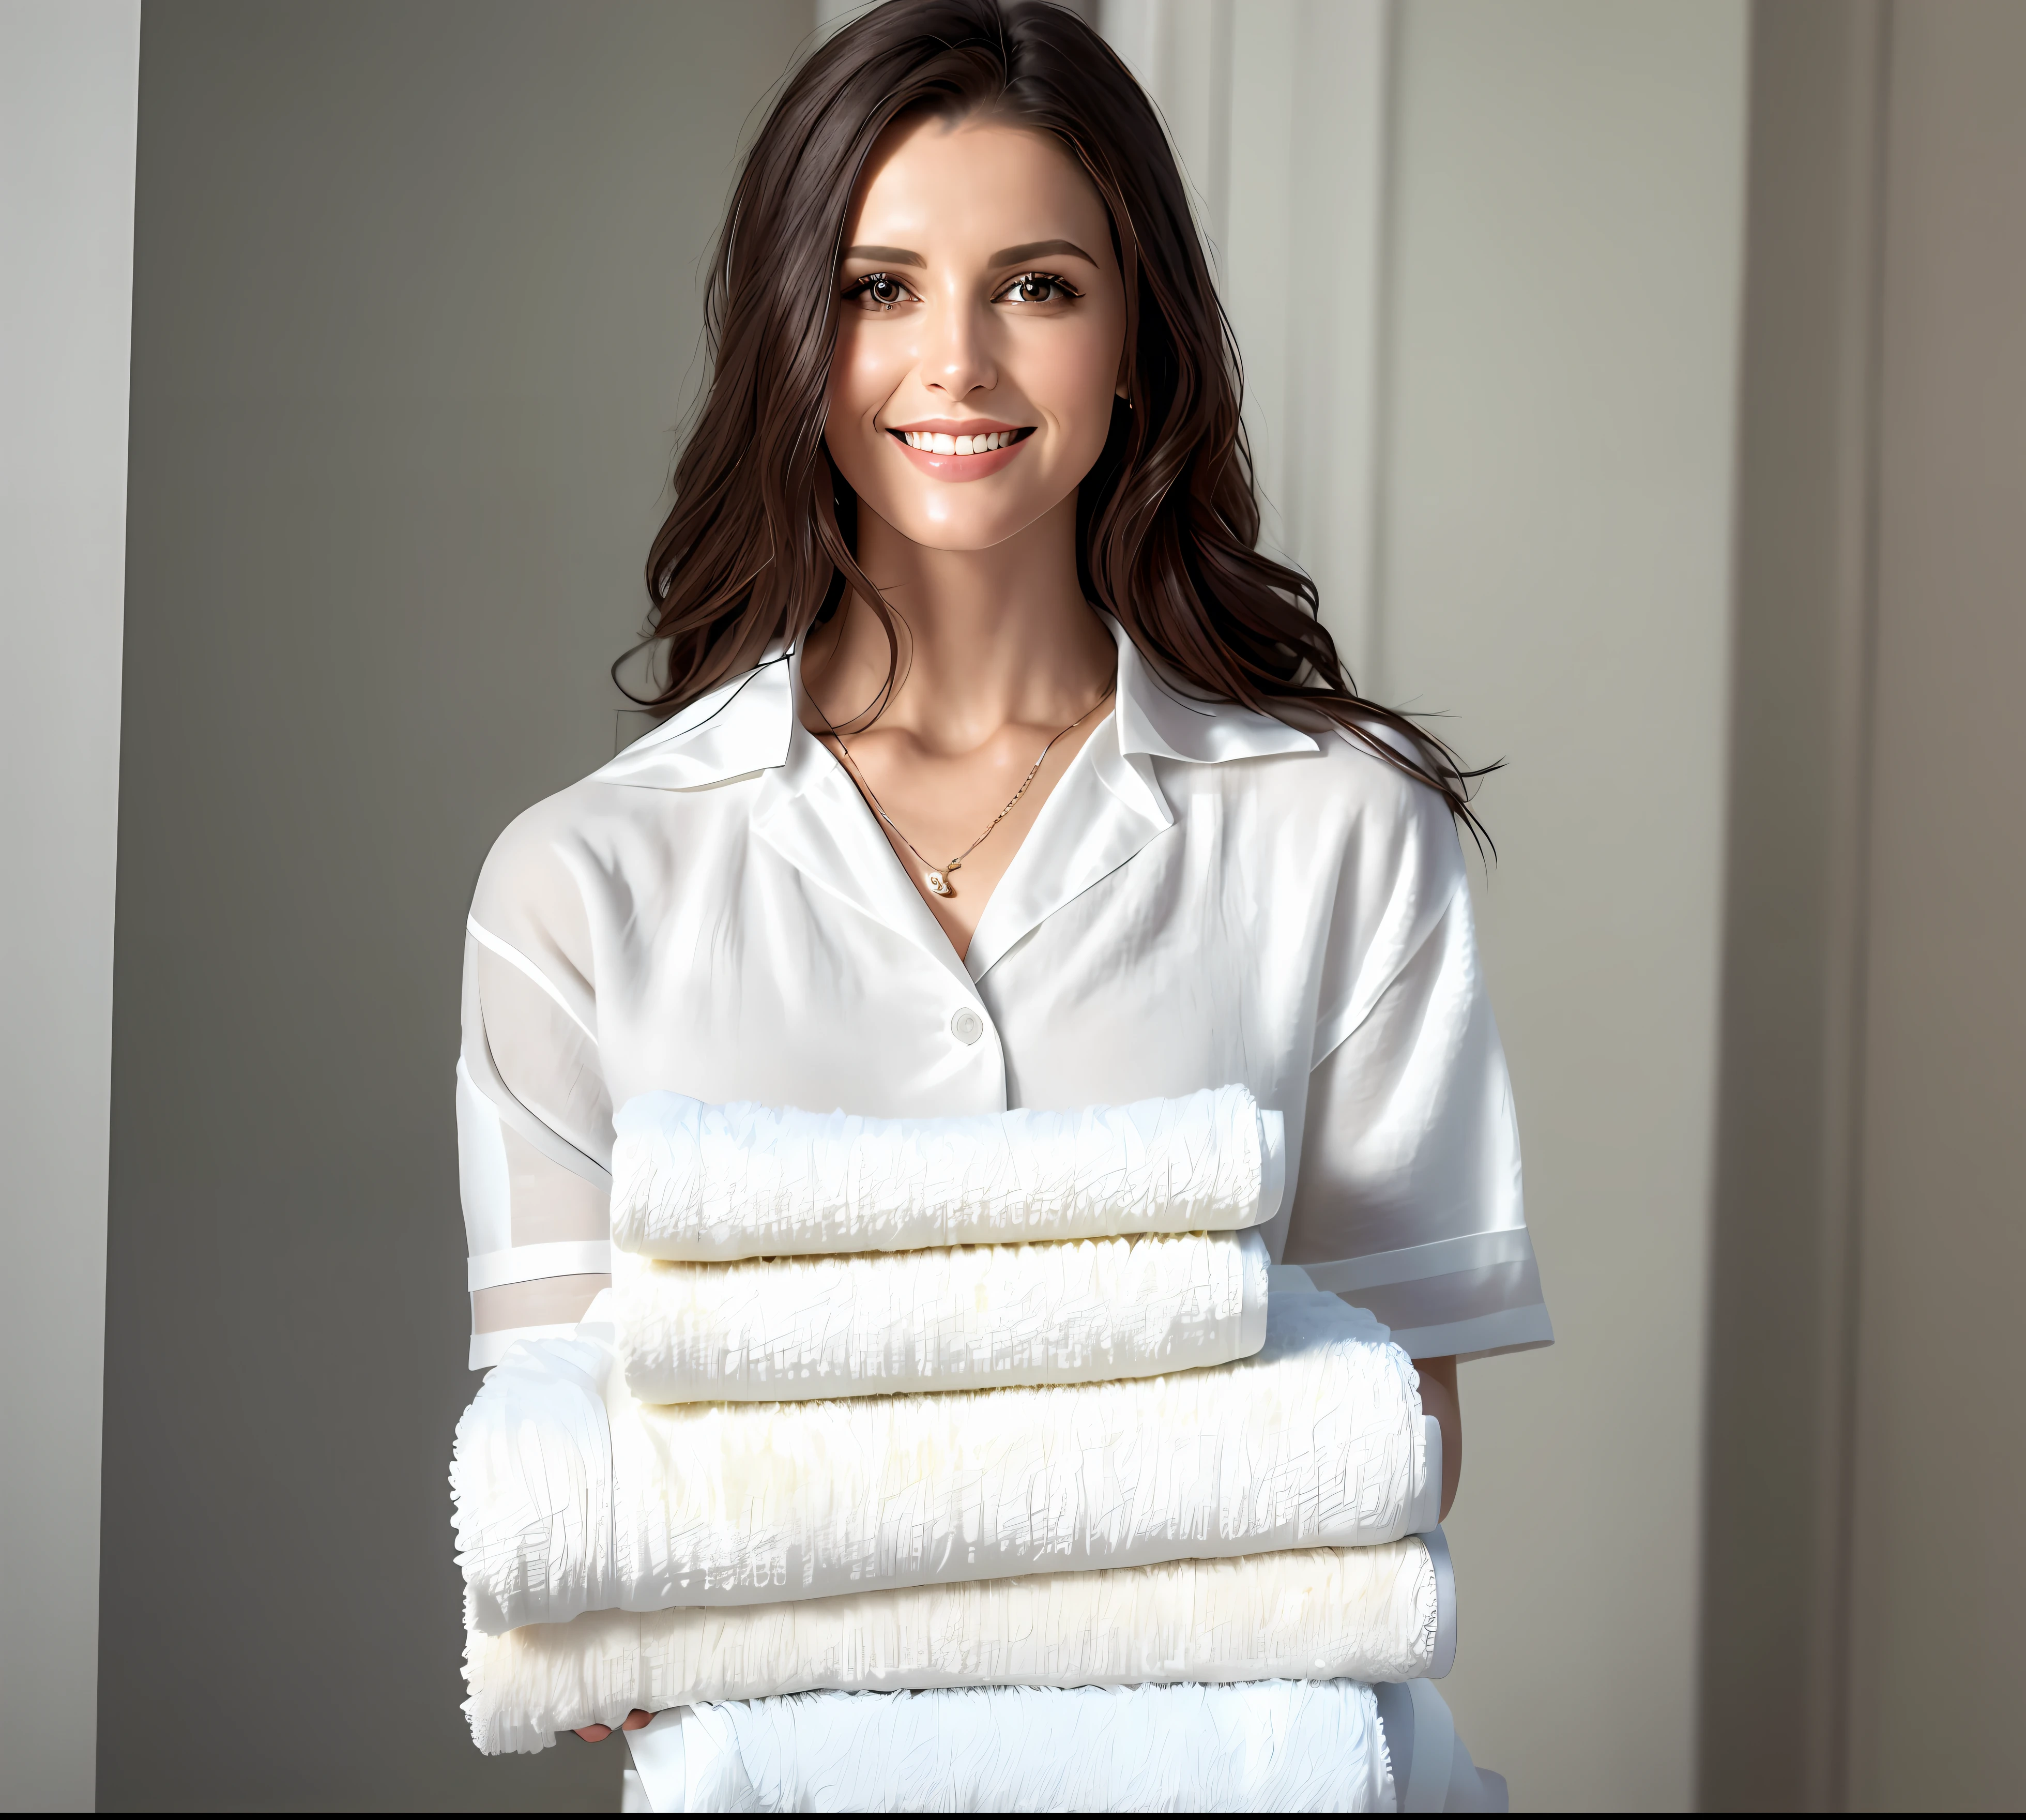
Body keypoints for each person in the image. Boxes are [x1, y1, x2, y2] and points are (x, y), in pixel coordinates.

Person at [453, 0, 1550, 1750]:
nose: (954, 364)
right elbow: (573, 1489)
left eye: (1035, 286)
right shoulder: (584, 885)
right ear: (790, 342)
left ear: (1137, 341)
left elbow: (1390, 1431)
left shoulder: (1342, 832)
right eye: (879, 289)